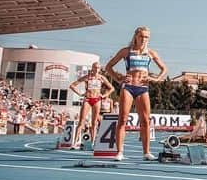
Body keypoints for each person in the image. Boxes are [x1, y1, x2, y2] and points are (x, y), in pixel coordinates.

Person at [104, 26, 167, 161]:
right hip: (128, 87)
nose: (144, 39)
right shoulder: (126, 51)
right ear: (136, 37)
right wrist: (118, 78)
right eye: (141, 36)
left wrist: (155, 79)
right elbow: (108, 67)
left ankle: (146, 152)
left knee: (145, 121)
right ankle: (119, 152)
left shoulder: (150, 53)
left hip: (143, 88)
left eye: (146, 37)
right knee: (122, 119)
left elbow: (164, 69)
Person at [68, 62, 115, 149]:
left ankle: (93, 143)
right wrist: (80, 94)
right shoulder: (87, 77)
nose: (97, 69)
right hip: (87, 99)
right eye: (95, 67)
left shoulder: (101, 78)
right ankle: (74, 143)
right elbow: (72, 85)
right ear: (92, 68)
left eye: (98, 68)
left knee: (94, 123)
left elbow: (112, 88)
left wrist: (104, 95)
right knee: (81, 122)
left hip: (97, 100)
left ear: (100, 69)